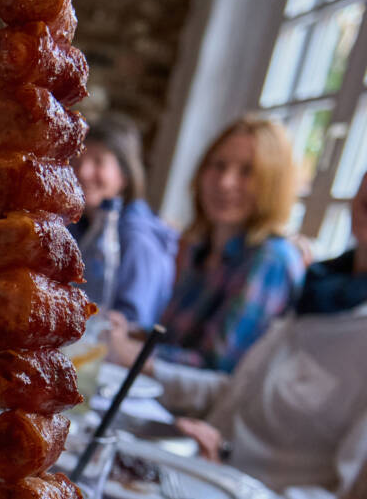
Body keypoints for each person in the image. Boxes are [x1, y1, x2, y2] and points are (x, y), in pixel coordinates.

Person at [159, 168, 367, 499]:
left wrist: (241, 496)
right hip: (202, 494)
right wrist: (142, 370)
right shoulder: (320, 288)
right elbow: (235, 393)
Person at [109, 116, 305, 375]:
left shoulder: (271, 259)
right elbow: (173, 340)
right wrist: (130, 334)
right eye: (218, 166)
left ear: (272, 185)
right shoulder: (201, 247)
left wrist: (127, 350)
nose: (225, 182)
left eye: (247, 171)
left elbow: (215, 369)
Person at [72, 113, 177, 327]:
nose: (83, 172)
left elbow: (134, 327)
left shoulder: (139, 240)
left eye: (98, 161)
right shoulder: (79, 225)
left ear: (124, 175)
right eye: (78, 160)